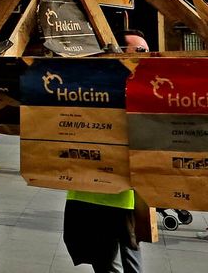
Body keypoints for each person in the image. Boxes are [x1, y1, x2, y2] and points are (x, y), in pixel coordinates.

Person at [63, 28, 146, 271]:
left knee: (128, 259)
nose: (147, 55)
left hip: (125, 196)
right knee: (106, 263)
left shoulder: (140, 87)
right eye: (140, 50)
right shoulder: (95, 86)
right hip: (90, 194)